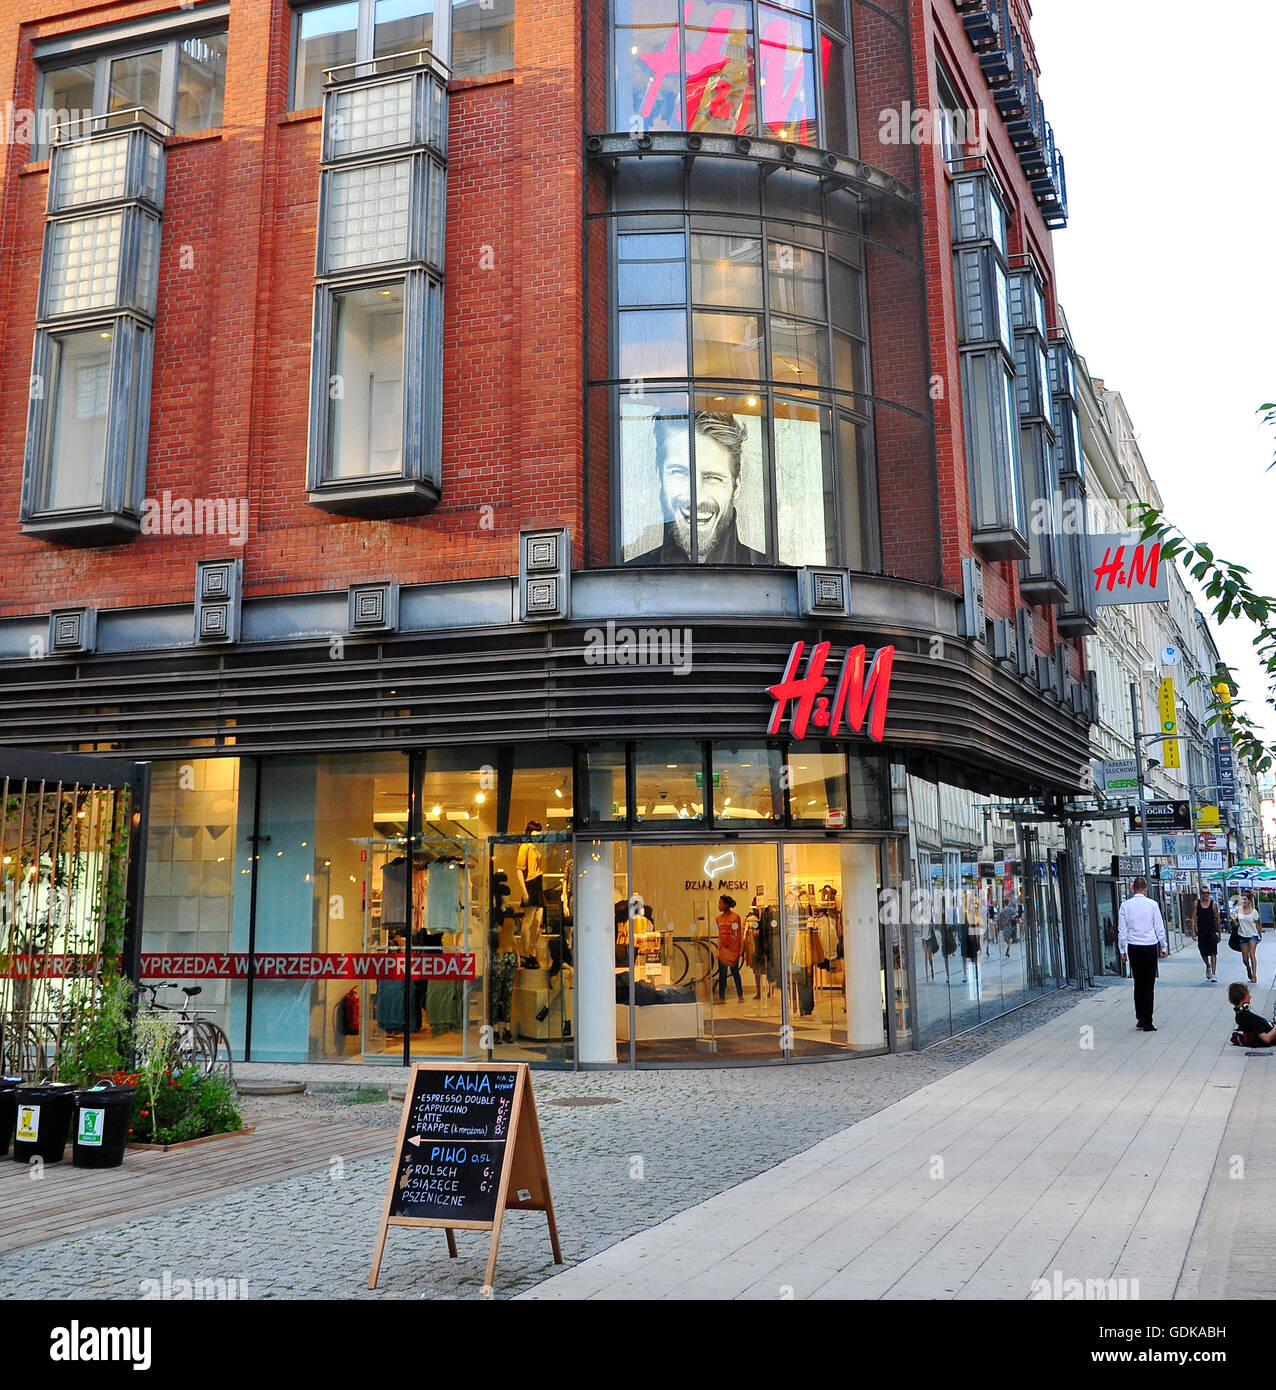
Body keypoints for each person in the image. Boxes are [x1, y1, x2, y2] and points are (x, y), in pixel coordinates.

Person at [627, 411, 767, 566]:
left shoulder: (775, 581)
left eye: (712, 477)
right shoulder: (628, 579)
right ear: (660, 477)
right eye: (680, 473)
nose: (696, 498)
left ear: (737, 485)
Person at [1118, 876, 1168, 1032]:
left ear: (1133, 888)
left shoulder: (1125, 906)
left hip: (1134, 946)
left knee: (1138, 983)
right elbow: (1159, 926)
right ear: (1145, 888)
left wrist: (1122, 950)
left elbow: (1122, 929)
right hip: (1149, 945)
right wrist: (1164, 946)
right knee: (1149, 984)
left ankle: (1140, 1016)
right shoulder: (1152, 905)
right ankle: (1148, 1020)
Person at [715, 895, 744, 1003]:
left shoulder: (735, 917)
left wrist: (738, 951)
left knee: (735, 972)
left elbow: (738, 935)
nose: (719, 906)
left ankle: (740, 995)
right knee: (722, 974)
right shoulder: (718, 919)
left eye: (721, 903)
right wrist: (719, 950)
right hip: (722, 950)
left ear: (726, 905)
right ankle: (722, 997)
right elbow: (719, 935)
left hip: (732, 949)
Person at [1227, 982, 1276, 1047]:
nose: (1250, 996)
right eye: (1247, 994)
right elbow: (1266, 1039)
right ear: (1241, 998)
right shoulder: (1248, 1017)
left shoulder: (1239, 1014)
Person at [1195, 887, 1220, 983]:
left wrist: (1219, 933)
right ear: (1201, 893)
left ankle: (1214, 974)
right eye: (1204, 893)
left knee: (1213, 952)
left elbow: (1217, 919)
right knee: (1203, 952)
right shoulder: (1196, 904)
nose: (1206, 895)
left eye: (1208, 893)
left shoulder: (1213, 904)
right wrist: (1193, 931)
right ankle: (1208, 965)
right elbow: (1193, 917)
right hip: (1201, 931)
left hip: (1211, 931)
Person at [1236, 891, 1262, 984]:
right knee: (1245, 958)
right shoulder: (1238, 909)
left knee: (1252, 954)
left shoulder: (1254, 912)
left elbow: (1258, 923)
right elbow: (1233, 917)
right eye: (1242, 899)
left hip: (1252, 936)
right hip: (1242, 935)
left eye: (1245, 899)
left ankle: (1254, 975)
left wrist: (1259, 934)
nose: (1243, 901)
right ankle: (1248, 968)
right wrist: (1234, 922)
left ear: (1250, 900)